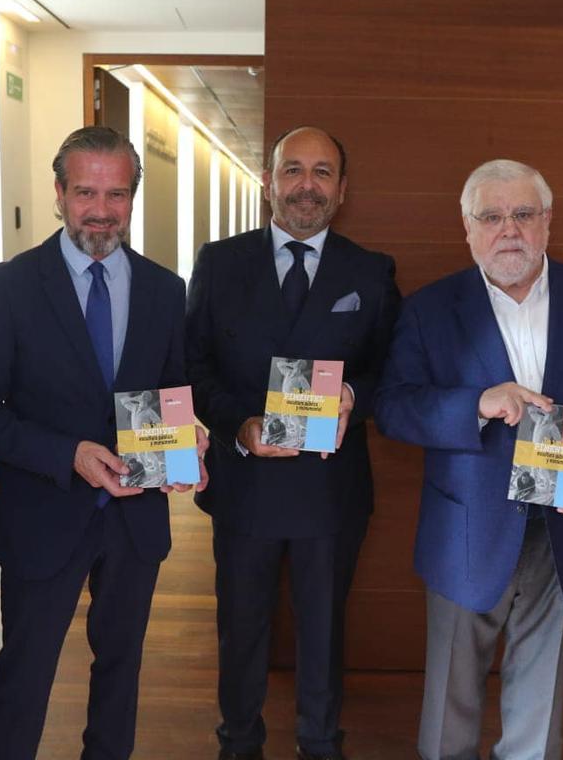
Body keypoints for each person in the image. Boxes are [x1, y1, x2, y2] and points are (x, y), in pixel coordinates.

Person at [0, 125, 207, 759]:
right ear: (59, 193)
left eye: (116, 194)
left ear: (132, 198)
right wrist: (66, 453)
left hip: (134, 518)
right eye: (86, 192)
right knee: (25, 674)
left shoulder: (163, 288)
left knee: (121, 671)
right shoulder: (8, 287)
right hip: (42, 512)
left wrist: (185, 442)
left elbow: (171, 389)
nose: (101, 210)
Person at [375, 159, 563, 760]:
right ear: (467, 228)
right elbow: (393, 408)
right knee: (450, 705)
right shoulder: (428, 308)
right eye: (490, 217)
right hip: (465, 527)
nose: (509, 230)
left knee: (540, 706)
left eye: (523, 214)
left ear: (548, 221)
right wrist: (476, 403)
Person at [186, 126, 401, 760]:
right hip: (245, 479)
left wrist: (354, 399)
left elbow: (393, 371)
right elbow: (194, 366)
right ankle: (239, 741)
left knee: (324, 629)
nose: (306, 185)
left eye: (323, 172)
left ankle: (320, 741)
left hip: (330, 490)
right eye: (292, 170)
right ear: (268, 183)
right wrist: (238, 427)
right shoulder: (220, 262)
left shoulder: (371, 270)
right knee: (241, 627)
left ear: (343, 189)